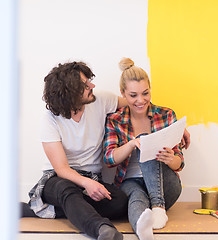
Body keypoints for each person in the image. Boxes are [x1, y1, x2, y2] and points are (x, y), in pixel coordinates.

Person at [23, 62, 129, 240]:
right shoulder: (49, 119)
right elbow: (62, 169)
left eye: (89, 81)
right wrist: (86, 184)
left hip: (91, 176)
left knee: (119, 201)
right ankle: (102, 229)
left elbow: (137, 105)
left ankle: (38, 208)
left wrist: (171, 123)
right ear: (69, 93)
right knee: (66, 189)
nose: (92, 86)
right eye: (85, 85)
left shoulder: (102, 99)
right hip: (57, 179)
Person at [103, 58, 188, 240]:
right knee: (136, 198)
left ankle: (158, 206)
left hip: (166, 187)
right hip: (130, 182)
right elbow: (109, 158)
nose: (140, 100)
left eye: (145, 93)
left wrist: (170, 158)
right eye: (133, 95)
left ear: (150, 90)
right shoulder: (115, 119)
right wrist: (132, 144)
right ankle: (143, 230)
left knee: (145, 140)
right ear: (123, 94)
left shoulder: (166, 115)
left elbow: (179, 164)